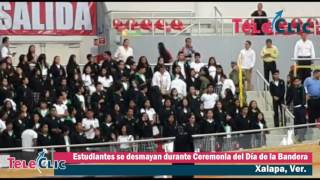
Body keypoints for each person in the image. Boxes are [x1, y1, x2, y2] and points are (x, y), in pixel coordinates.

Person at [286, 77, 307, 142]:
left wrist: (303, 106)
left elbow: (304, 98)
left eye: (298, 81)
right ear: (294, 82)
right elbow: (290, 98)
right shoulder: (293, 89)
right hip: (295, 109)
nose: (297, 82)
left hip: (301, 108)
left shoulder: (302, 88)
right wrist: (286, 104)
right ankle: (297, 136)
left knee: (302, 122)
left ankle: (302, 136)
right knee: (296, 123)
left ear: (300, 81)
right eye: (295, 81)